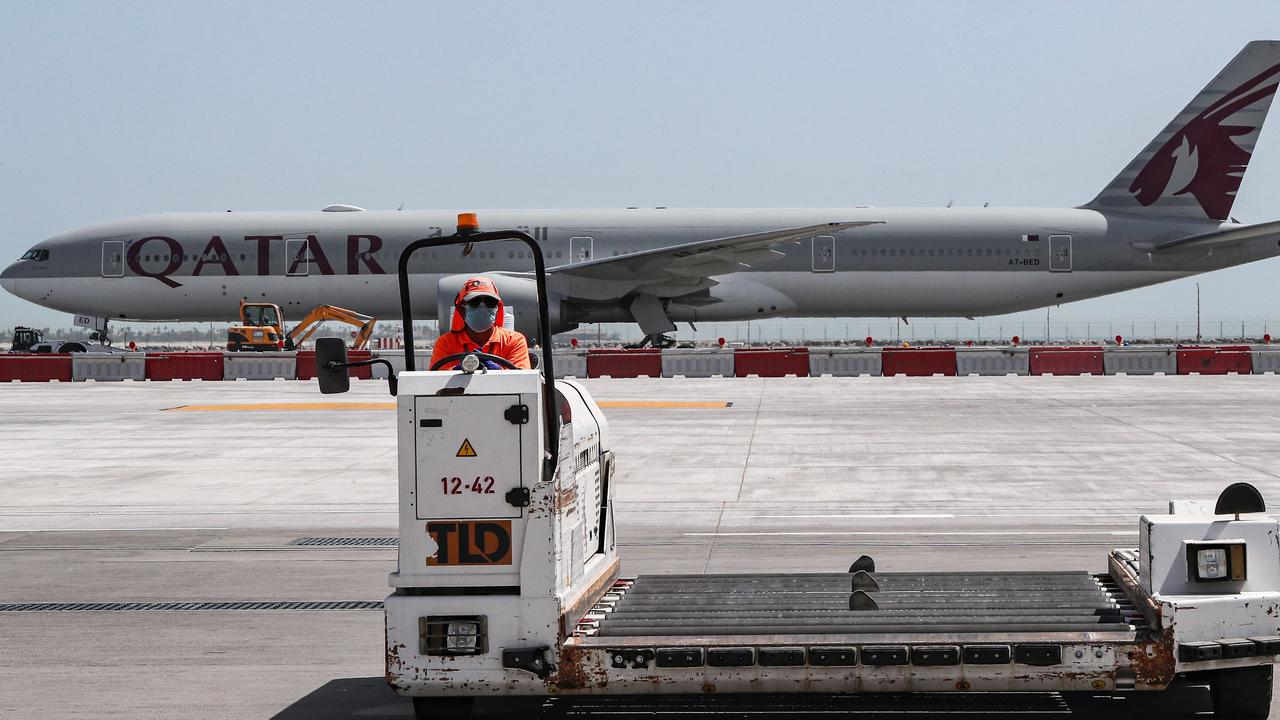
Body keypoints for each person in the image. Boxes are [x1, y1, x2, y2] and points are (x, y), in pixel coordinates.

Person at [430, 276, 531, 370]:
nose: (482, 308)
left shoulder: (514, 341)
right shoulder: (446, 343)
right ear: (461, 309)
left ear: (497, 308)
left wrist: (499, 371)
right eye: (474, 302)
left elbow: (522, 381)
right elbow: (436, 382)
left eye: (490, 302)